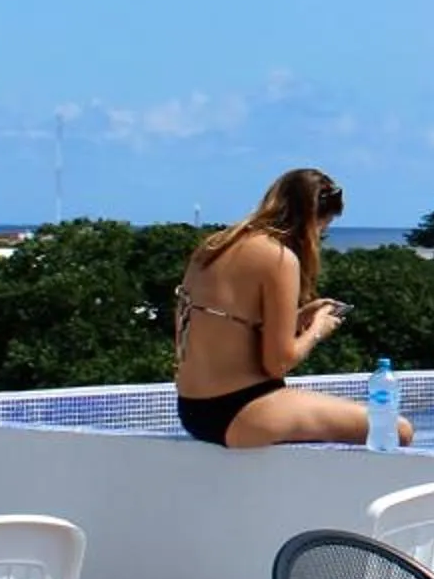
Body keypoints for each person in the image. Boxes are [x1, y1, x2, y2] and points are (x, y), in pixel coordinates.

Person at [173, 167, 411, 448]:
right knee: (397, 429)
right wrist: (318, 329)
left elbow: (221, 331)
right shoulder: (279, 258)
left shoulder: (213, 246)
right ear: (312, 220)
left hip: (193, 410)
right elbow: (277, 364)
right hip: (242, 411)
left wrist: (296, 319)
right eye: (323, 228)